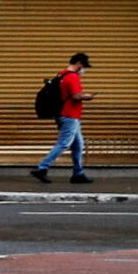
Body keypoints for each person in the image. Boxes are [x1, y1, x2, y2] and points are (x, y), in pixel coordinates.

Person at [30, 52, 95, 185]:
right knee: (64, 143)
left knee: (78, 145)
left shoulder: (62, 74)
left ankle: (78, 174)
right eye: (84, 66)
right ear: (78, 64)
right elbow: (76, 96)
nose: (84, 69)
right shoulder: (72, 77)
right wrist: (87, 96)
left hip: (67, 115)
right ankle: (42, 168)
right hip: (69, 115)